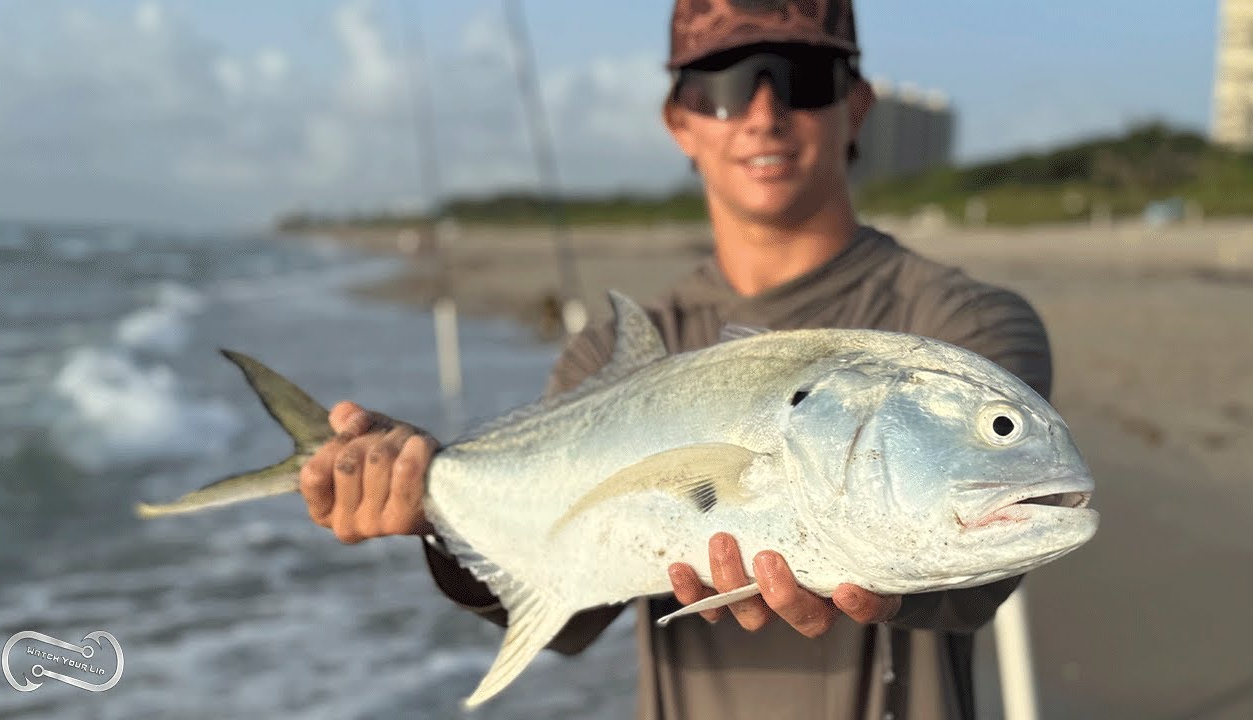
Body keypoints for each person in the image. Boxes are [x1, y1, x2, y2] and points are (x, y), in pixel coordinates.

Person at [299, 1, 1052, 718]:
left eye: (801, 78)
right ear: (679, 121)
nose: (763, 113)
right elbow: (571, 616)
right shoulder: (612, 353)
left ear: (855, 106)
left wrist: (878, 573)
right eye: (723, 86)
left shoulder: (961, 328)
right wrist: (431, 512)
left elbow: (983, 571)